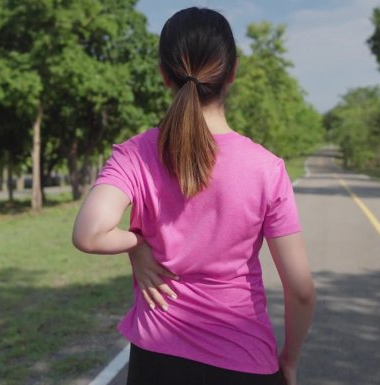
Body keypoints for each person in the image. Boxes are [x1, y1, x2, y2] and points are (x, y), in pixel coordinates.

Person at [72, 7, 315, 385]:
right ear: (232, 73)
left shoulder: (136, 153)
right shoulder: (267, 168)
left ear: (163, 75)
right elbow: (300, 290)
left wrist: (136, 244)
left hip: (156, 362)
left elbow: (89, 233)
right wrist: (290, 359)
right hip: (245, 358)